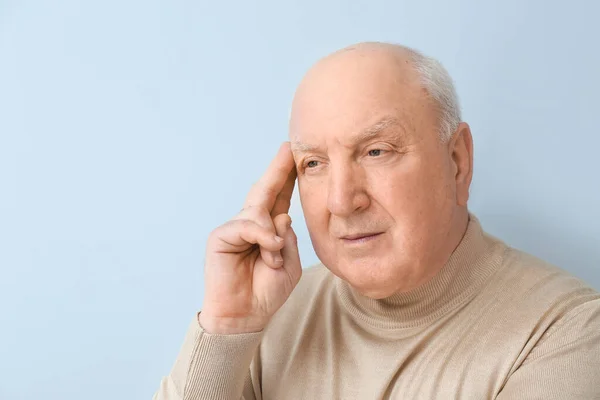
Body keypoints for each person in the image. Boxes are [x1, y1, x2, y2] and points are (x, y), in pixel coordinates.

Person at [153, 42, 600, 399]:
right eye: (313, 163)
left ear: (457, 161)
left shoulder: (566, 332)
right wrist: (228, 327)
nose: (342, 202)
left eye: (376, 151)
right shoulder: (268, 315)